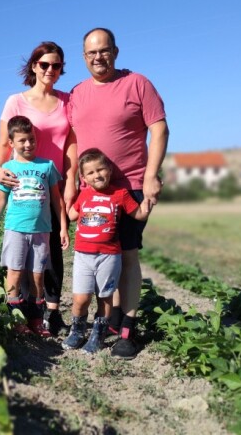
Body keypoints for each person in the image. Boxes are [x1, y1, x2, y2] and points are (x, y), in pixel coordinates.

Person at [67, 28, 169, 359]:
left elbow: (159, 129)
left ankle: (126, 329)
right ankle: (104, 319)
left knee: (126, 255)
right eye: (91, 52)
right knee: (96, 256)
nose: (98, 57)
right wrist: (70, 183)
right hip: (90, 192)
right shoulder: (77, 93)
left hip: (130, 187)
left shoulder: (137, 83)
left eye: (104, 50)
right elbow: (72, 141)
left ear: (115, 51)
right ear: (84, 57)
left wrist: (151, 176)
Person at [0, 41, 78, 336]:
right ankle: (22, 314)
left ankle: (51, 314)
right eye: (44, 64)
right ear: (34, 66)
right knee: (21, 258)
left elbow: (71, 144)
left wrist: (71, 179)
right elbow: (4, 144)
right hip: (25, 188)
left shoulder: (68, 101)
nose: (50, 70)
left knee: (52, 252)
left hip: (53, 184)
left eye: (56, 65)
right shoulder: (15, 101)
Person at [63, 148, 152, 353]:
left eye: (100, 169)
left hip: (109, 256)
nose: (97, 175)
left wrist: (149, 200)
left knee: (105, 297)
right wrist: (67, 196)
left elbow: (139, 214)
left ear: (110, 170)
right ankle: (77, 331)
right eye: (90, 172)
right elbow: (72, 215)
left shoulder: (120, 194)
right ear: (83, 178)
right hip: (83, 256)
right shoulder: (83, 195)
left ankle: (98, 334)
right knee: (80, 299)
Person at [0, 115, 70, 337]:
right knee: (14, 274)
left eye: (31, 139)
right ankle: (16, 320)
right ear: (11, 143)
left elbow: (56, 199)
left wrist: (63, 227)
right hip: (15, 229)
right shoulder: (8, 168)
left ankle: (36, 320)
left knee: (37, 277)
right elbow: (1, 200)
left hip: (42, 231)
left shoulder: (47, 166)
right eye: (22, 140)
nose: (28, 144)